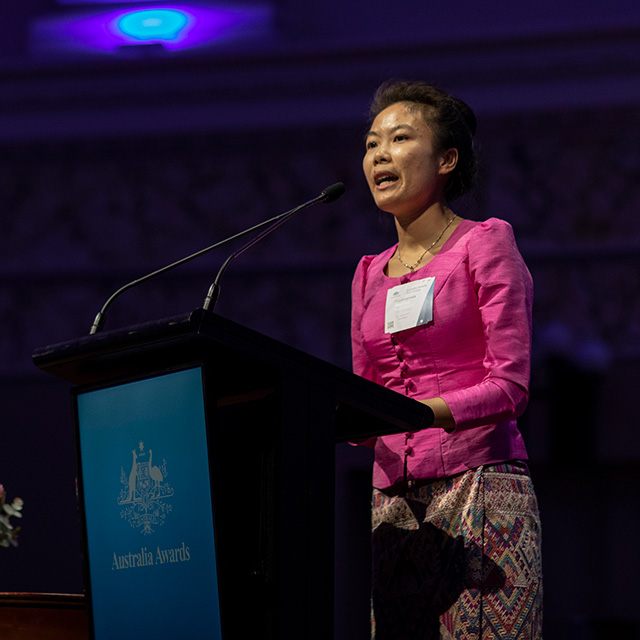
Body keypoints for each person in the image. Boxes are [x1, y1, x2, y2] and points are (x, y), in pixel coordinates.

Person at [351, 80, 543, 639]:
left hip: (480, 484)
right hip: (392, 505)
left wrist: (419, 413)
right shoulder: (367, 272)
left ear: (447, 159)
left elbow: (510, 386)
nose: (379, 154)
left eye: (400, 138)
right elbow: (366, 395)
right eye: (370, 144)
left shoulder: (485, 242)